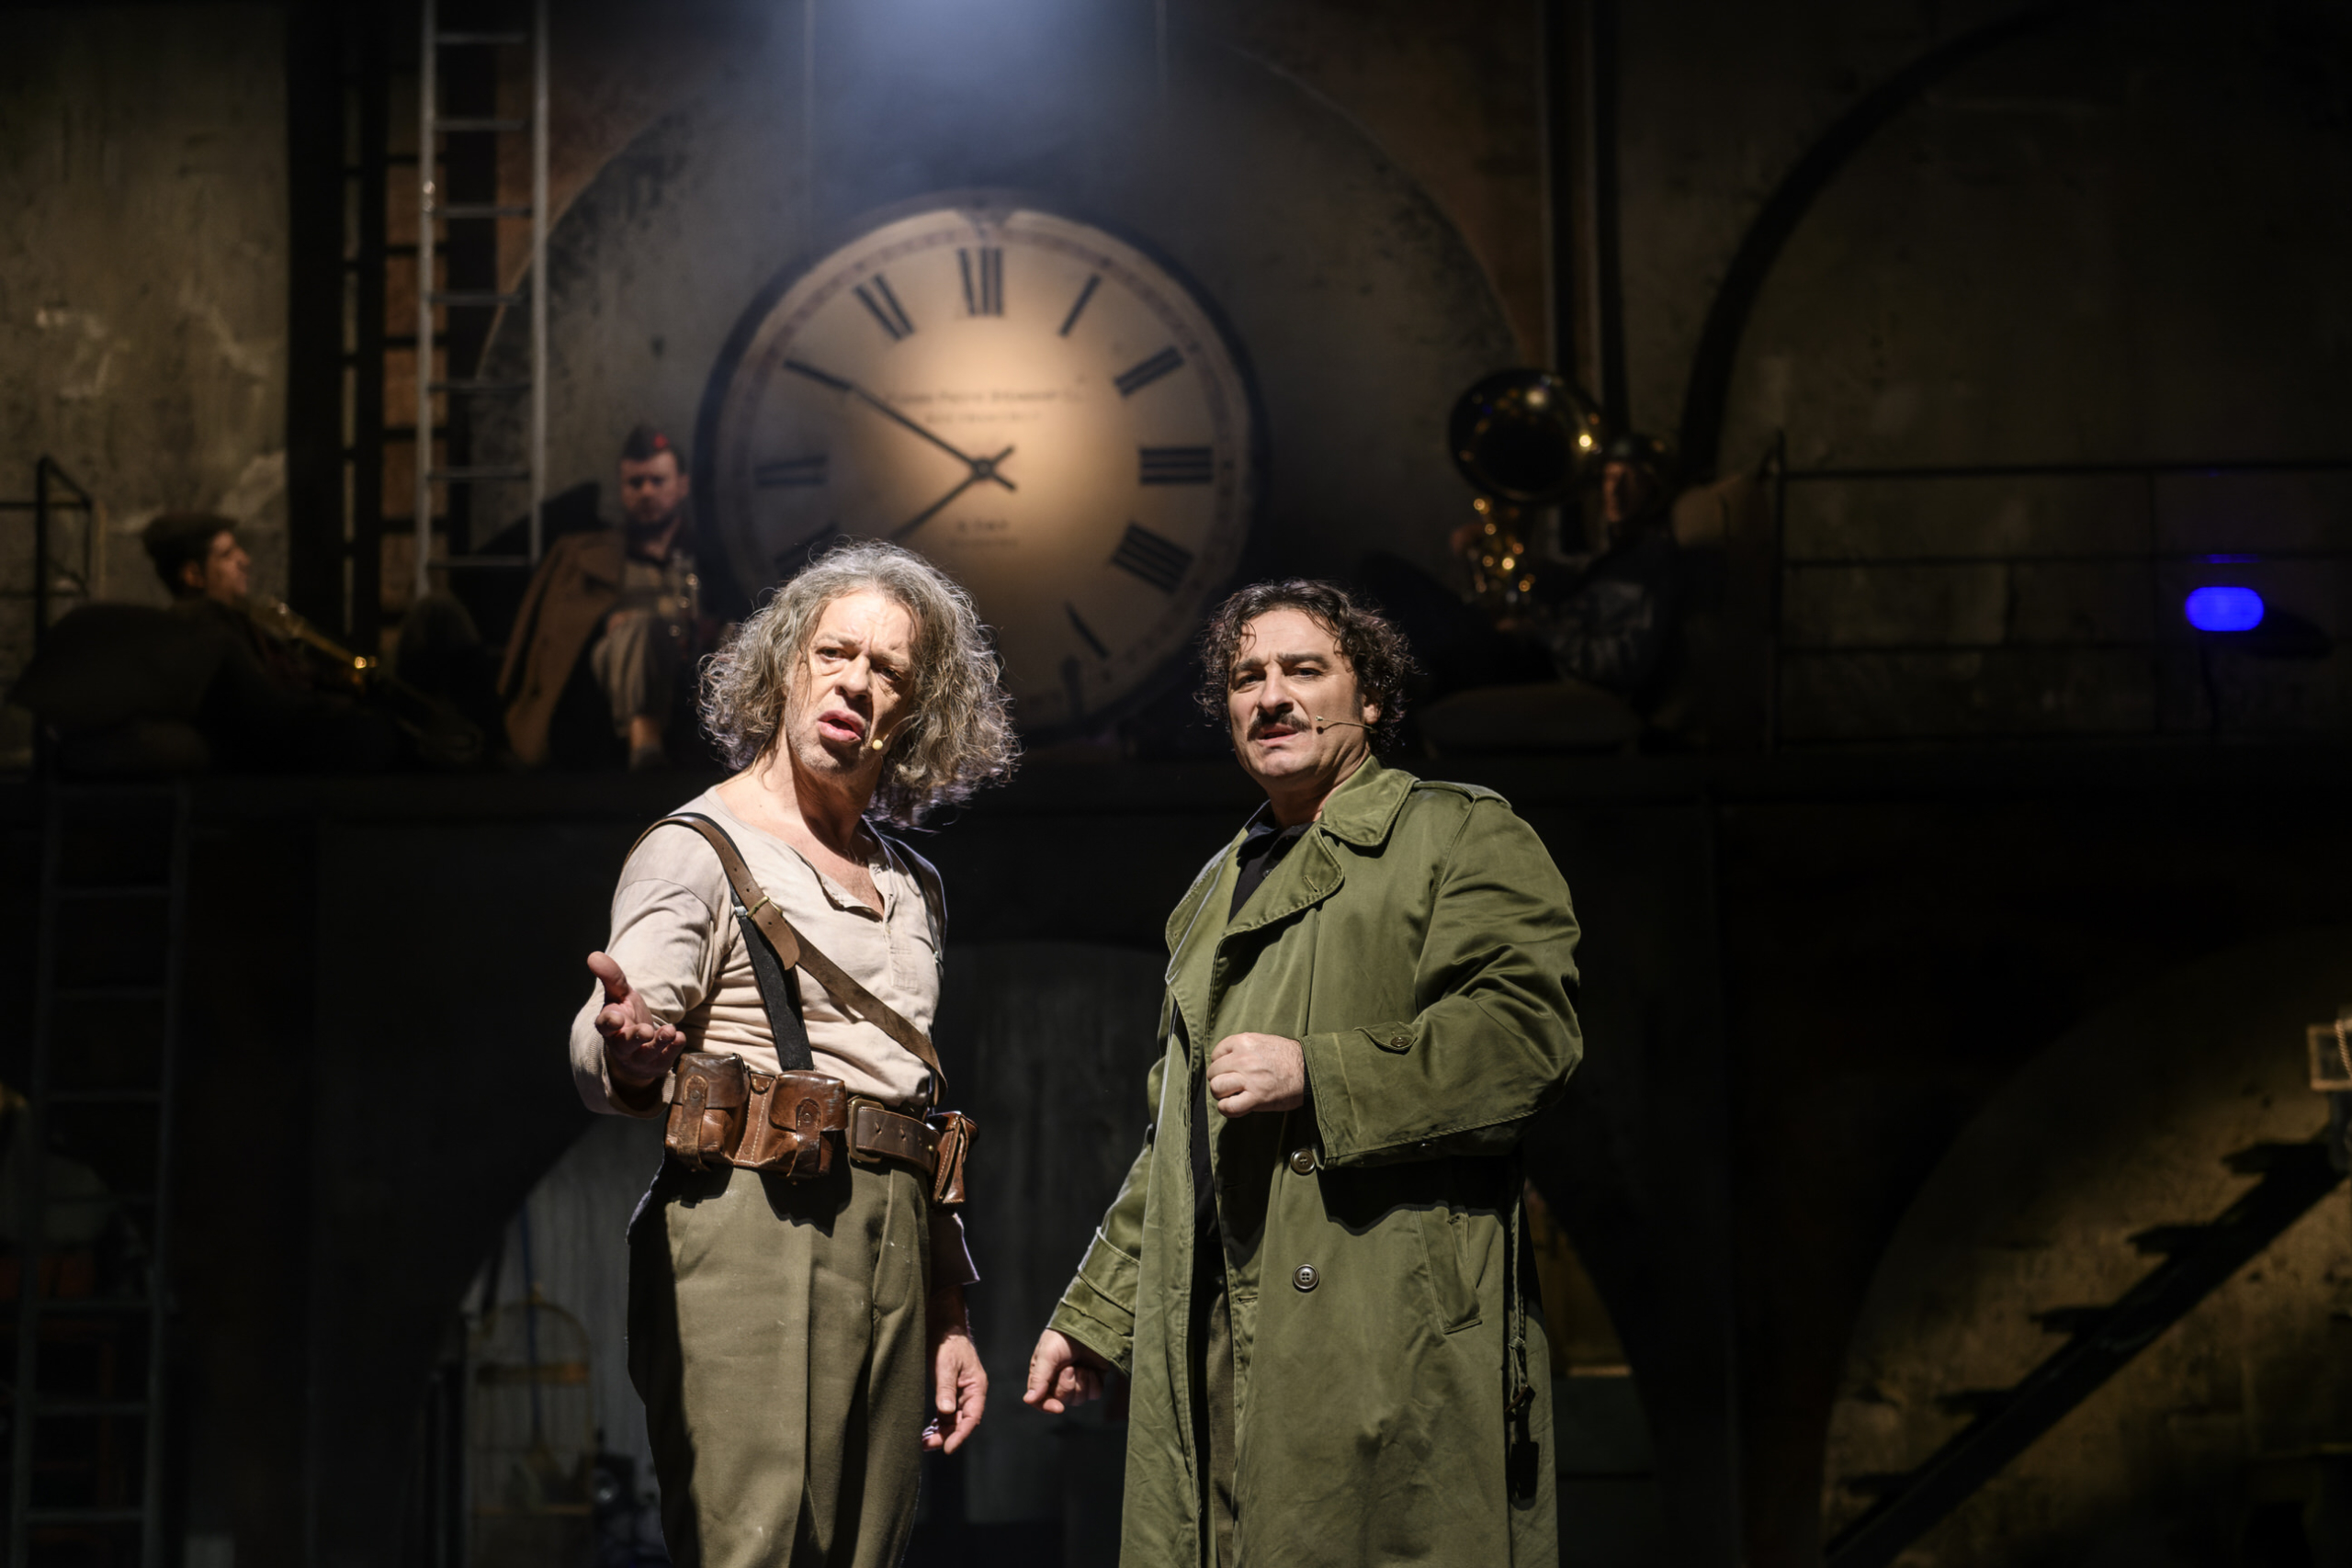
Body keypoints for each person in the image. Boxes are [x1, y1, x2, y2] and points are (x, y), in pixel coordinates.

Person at [1024, 580, 1583, 1566]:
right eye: (1248, 677)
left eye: (1304, 670)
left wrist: (1320, 1074)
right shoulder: (1213, 889)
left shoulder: (1456, 833)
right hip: (1224, 1343)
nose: (1271, 696)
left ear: (1370, 698)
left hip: (1385, 1340)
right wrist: (1099, 1315)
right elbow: (1178, 1141)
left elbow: (1526, 1039)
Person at [571, 541, 1018, 1568]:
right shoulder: (697, 846)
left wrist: (949, 1308)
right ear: (785, 667)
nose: (856, 682)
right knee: (756, 1547)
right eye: (834, 653)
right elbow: (614, 1027)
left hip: (897, 1240)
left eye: (890, 670)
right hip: (755, 1224)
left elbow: (911, 1105)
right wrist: (629, 1053)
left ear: (917, 710)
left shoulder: (911, 886)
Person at [502, 423, 707, 770]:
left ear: (682, 485)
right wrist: (606, 623)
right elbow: (555, 637)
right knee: (640, 630)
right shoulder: (589, 557)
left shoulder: (708, 557)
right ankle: (645, 744)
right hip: (609, 687)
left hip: (692, 678)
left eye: (658, 481)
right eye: (635, 483)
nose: (646, 492)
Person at [1533, 433, 1681, 705]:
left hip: (1574, 686)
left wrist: (1543, 633)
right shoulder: (1612, 553)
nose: (1614, 490)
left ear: (1653, 489)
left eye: (1630, 479)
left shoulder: (1652, 564)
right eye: (1609, 477)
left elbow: (1624, 663)